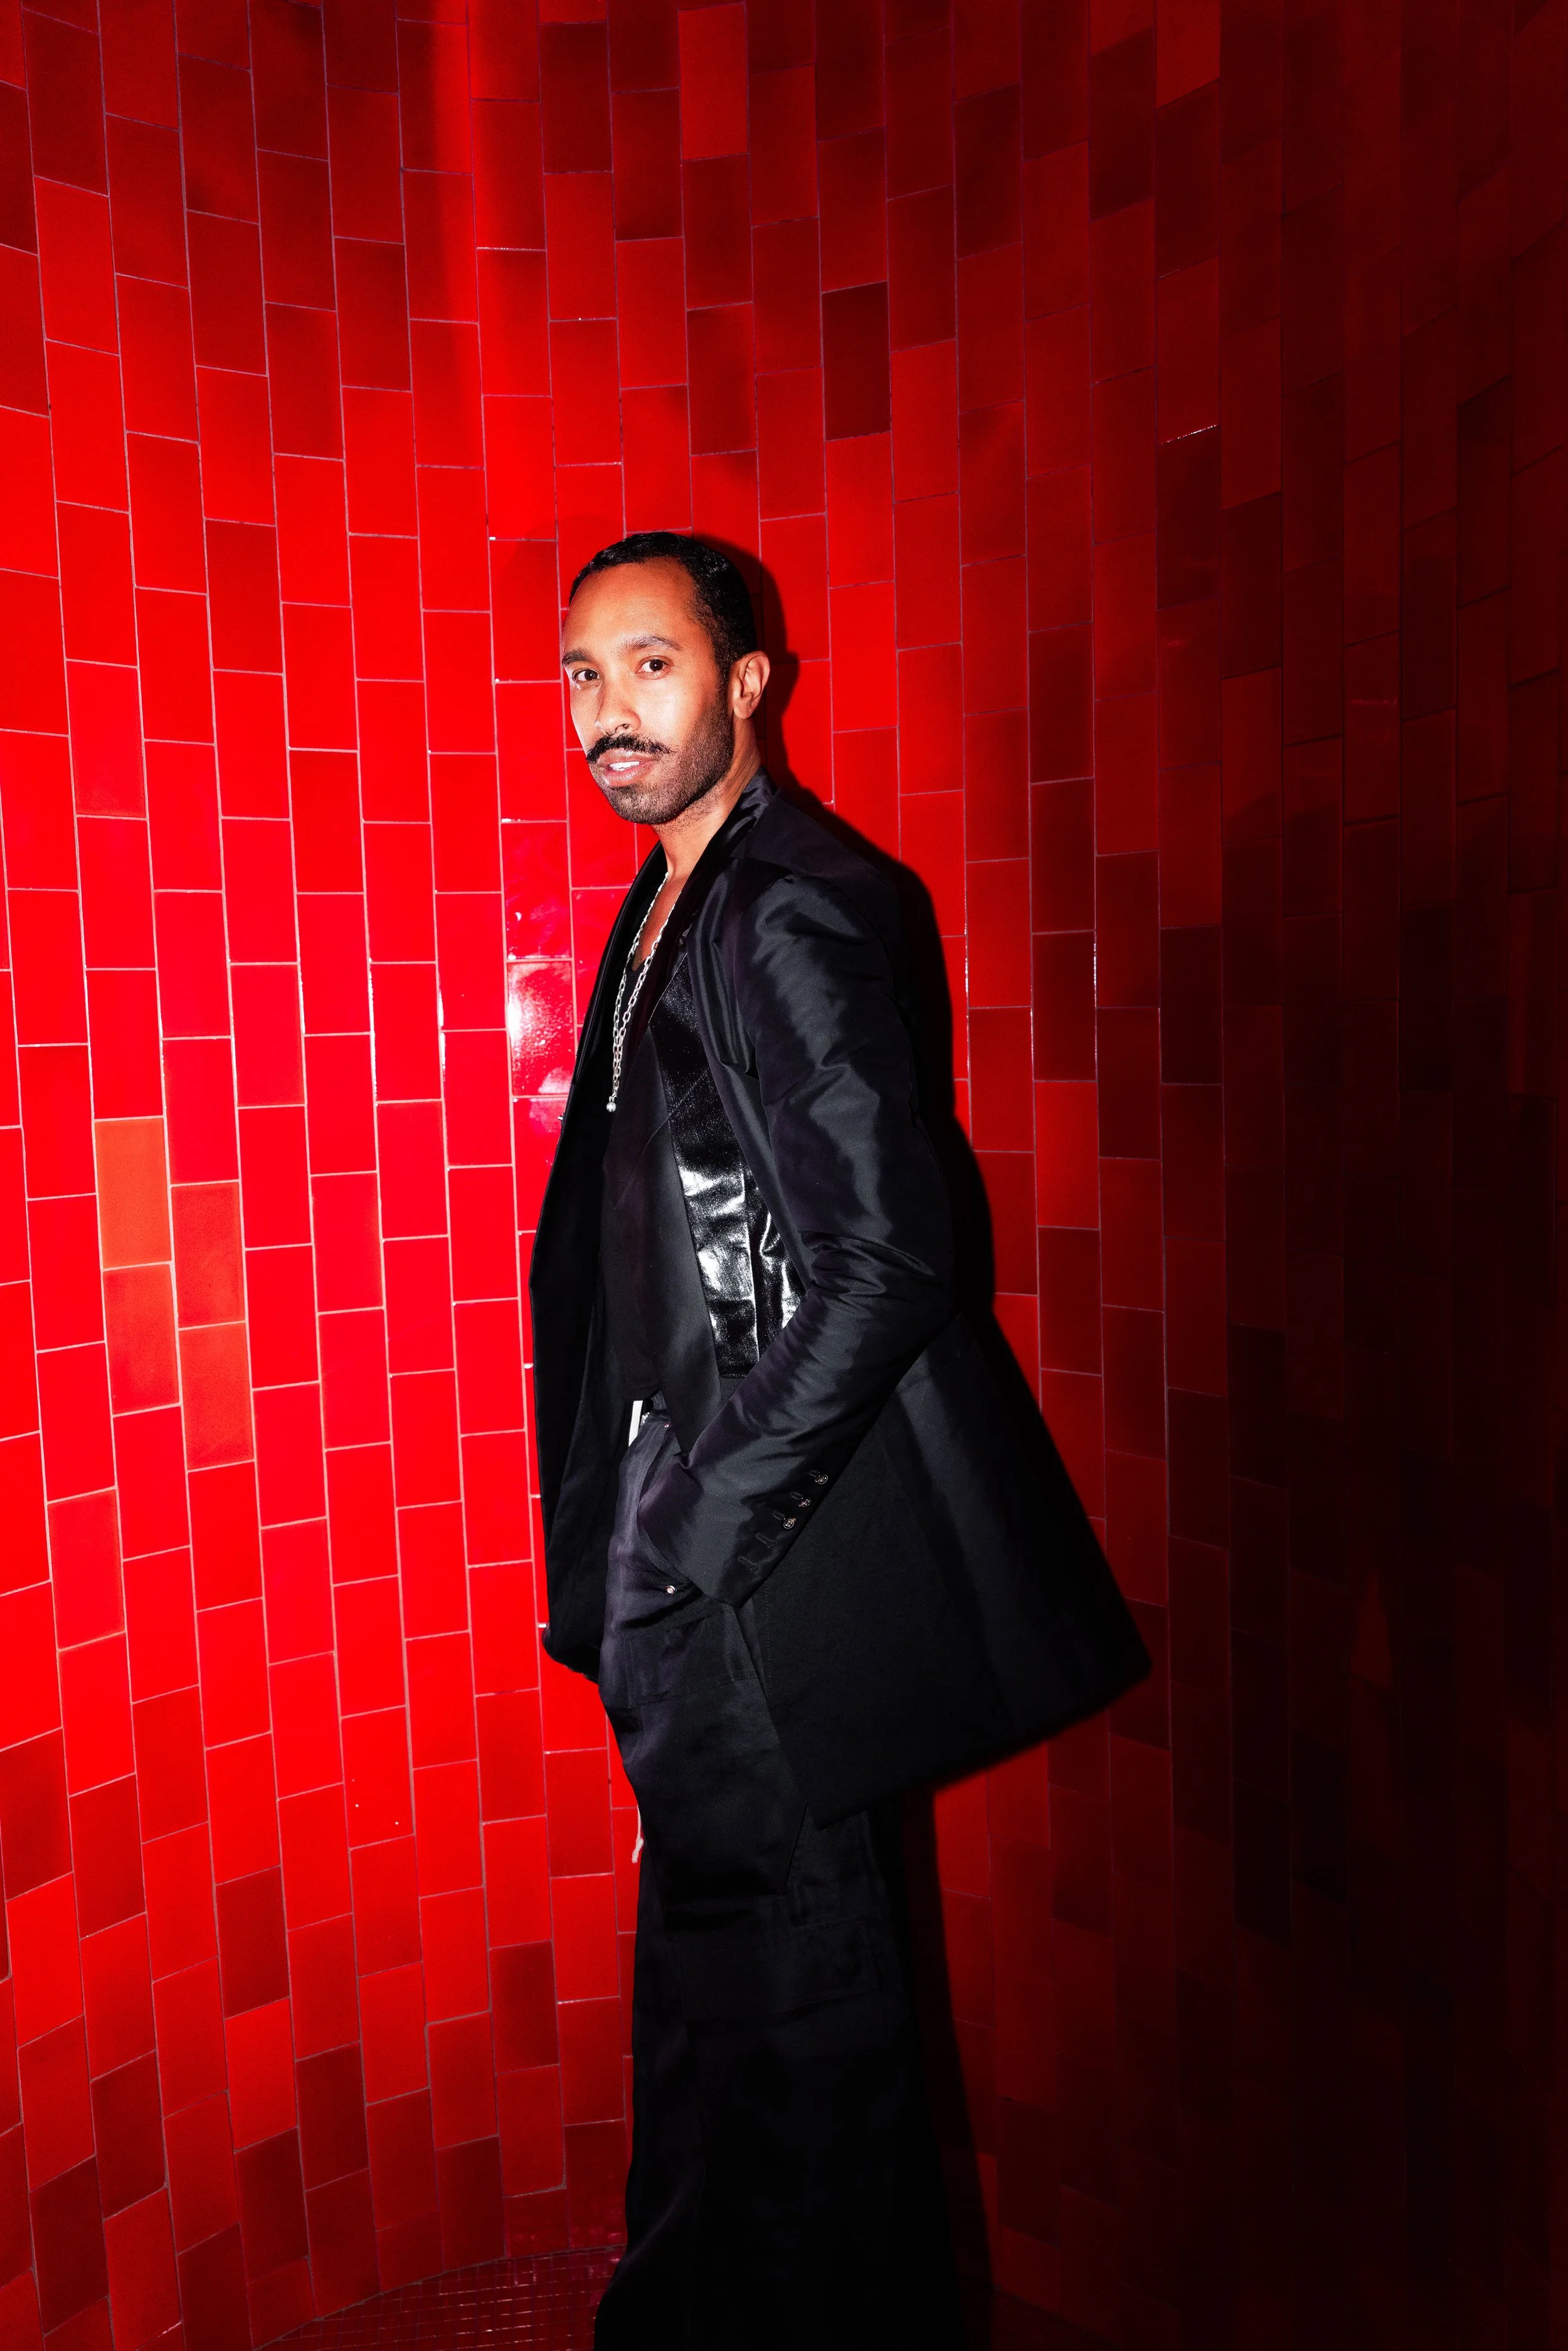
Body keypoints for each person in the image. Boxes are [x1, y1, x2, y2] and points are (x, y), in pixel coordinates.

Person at [529, 533, 1148, 2348]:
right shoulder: (667, 904)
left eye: (649, 668)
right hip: (707, 1580)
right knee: (728, 2020)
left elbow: (893, 1254)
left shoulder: (791, 900)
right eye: (580, 675)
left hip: (762, 1587)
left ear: (747, 683)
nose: (607, 715)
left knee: (800, 2045)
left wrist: (694, 1538)